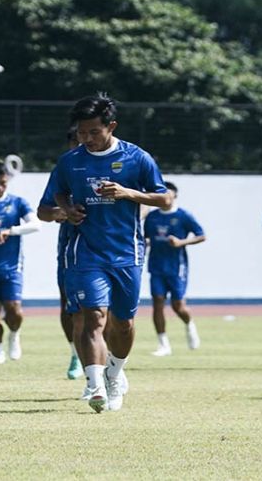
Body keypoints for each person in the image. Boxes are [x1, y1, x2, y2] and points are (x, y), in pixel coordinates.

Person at [54, 94, 171, 412]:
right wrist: (68, 210)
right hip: (85, 252)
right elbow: (57, 194)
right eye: (81, 133)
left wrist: (126, 193)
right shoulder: (70, 161)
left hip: (127, 253)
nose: (87, 139)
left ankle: (115, 373)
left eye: (93, 132)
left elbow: (165, 200)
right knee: (93, 316)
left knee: (124, 324)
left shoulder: (137, 158)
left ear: (111, 126)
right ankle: (94, 386)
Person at [0, 162, 40, 364]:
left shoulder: (17, 203)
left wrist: (10, 231)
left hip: (12, 267)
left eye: (3, 183)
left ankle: (14, 335)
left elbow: (35, 225)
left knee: (14, 309)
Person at [37, 126, 84, 381]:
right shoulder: (64, 170)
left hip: (107, 250)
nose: (80, 145)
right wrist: (59, 212)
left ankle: (109, 359)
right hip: (70, 249)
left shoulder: (111, 166)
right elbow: (43, 210)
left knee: (105, 311)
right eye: (75, 142)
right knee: (69, 307)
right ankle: (76, 353)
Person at [144, 181, 206, 356]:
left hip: (176, 266)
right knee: (157, 302)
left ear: (175, 196)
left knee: (178, 305)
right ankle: (163, 344)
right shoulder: (152, 216)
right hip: (156, 265)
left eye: (169, 195)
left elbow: (201, 235)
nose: (165, 199)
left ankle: (189, 323)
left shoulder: (183, 216)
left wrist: (181, 242)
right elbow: (146, 237)